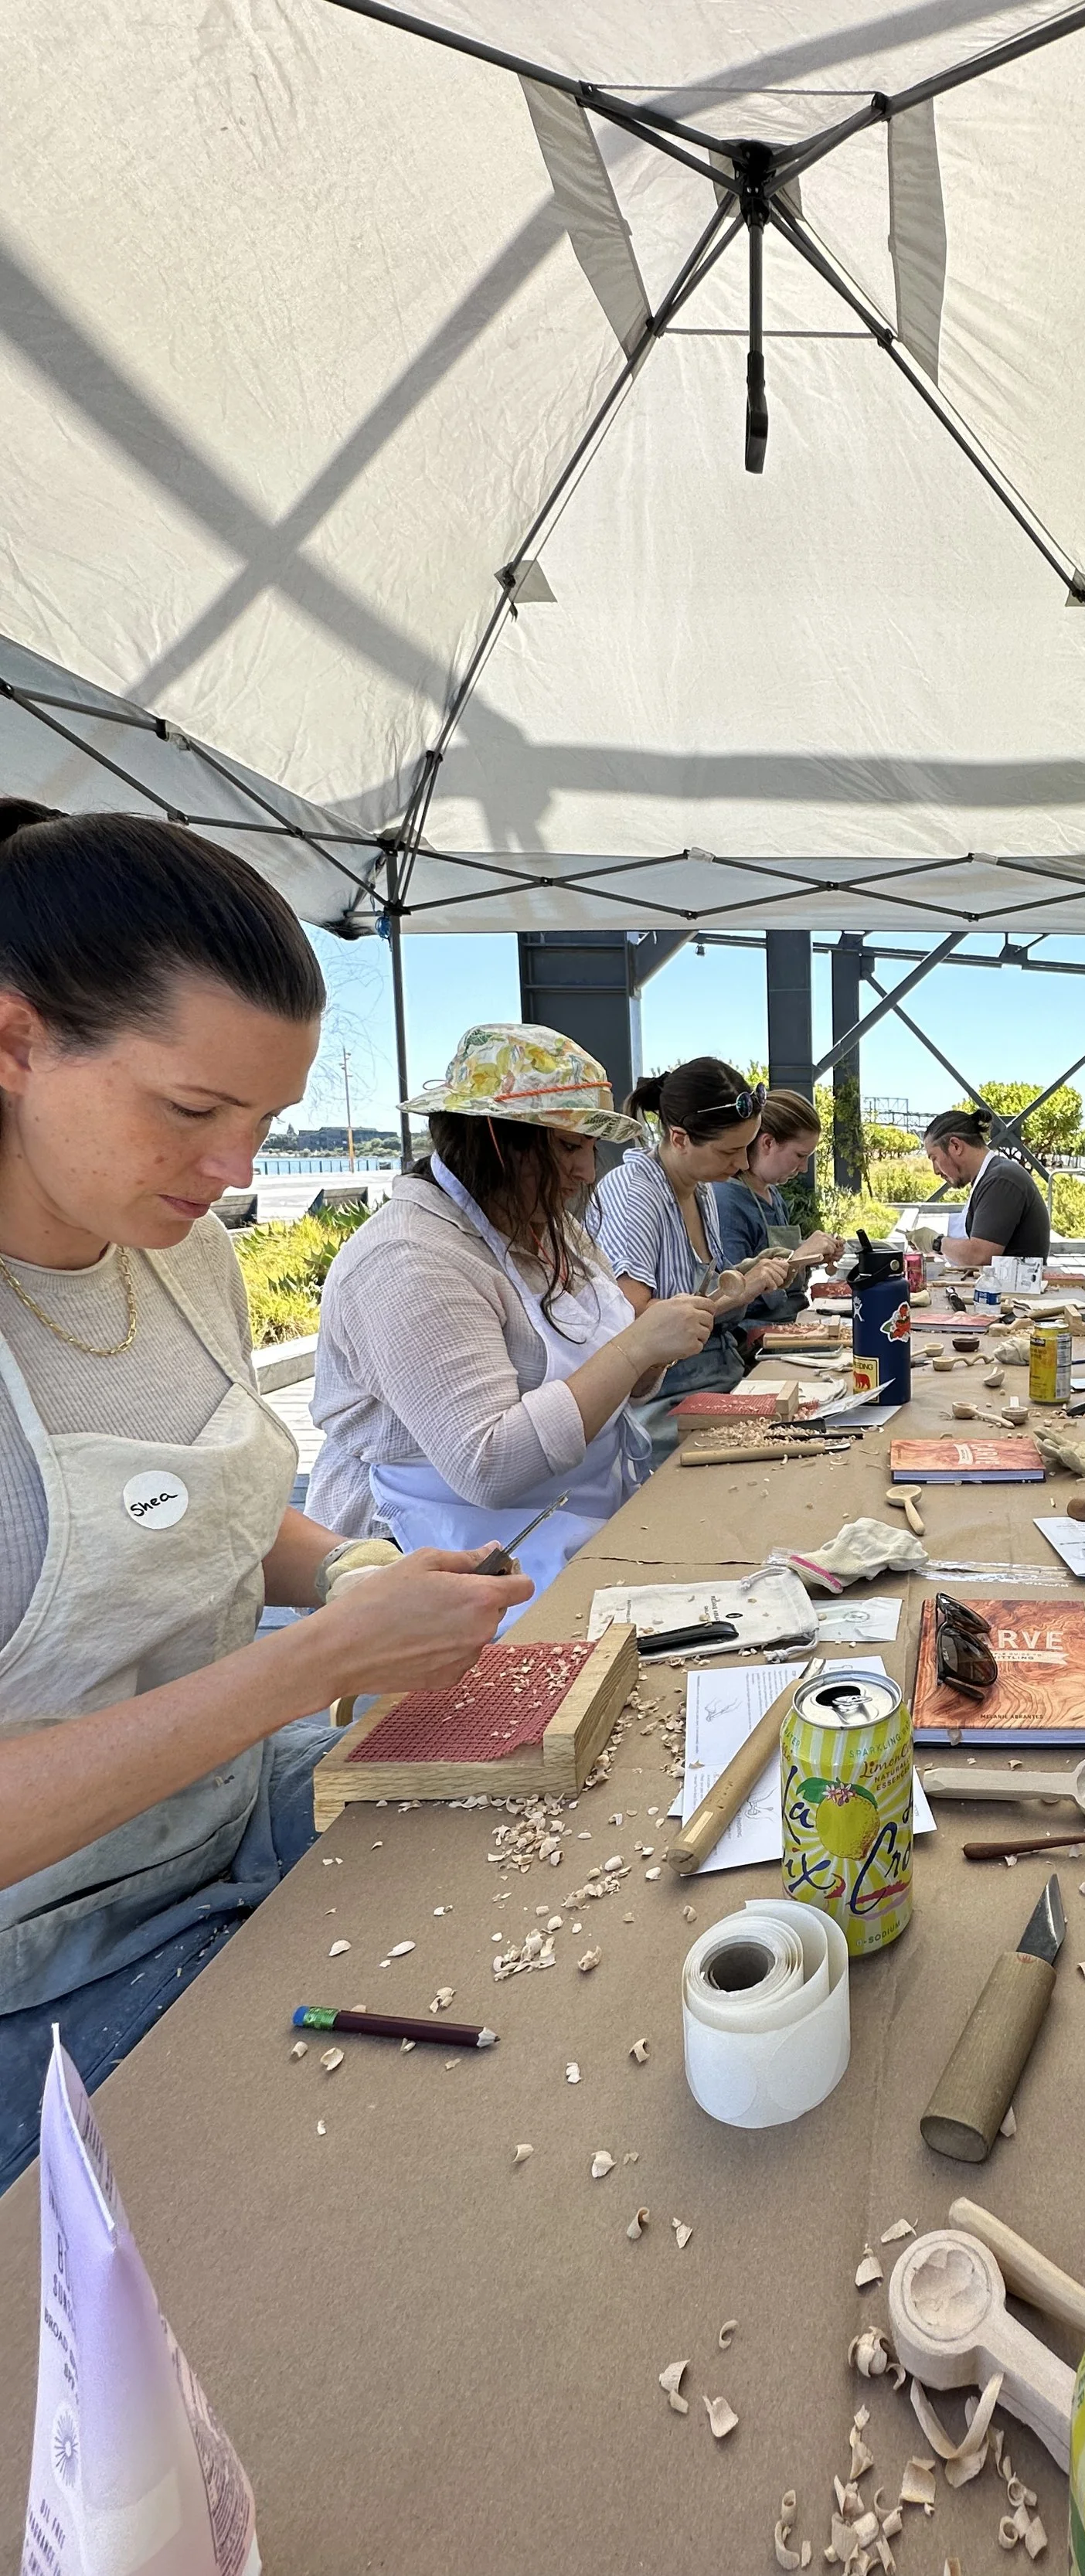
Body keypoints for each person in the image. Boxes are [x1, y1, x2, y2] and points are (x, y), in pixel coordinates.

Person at [0, 803, 516, 2193]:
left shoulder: (182, 1259)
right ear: (12, 1039)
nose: (236, 1171)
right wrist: (314, 1667)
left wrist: (350, 1571)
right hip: (42, 1964)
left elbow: (211, 1512)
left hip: (240, 1817)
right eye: (191, 1111)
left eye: (268, 1122)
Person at [306, 1024, 715, 1613]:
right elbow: (489, 1464)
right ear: (499, 1143)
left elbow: (610, 1378)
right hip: (462, 1552)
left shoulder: (549, 1225)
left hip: (581, 1513)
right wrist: (633, 1349)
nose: (586, 1172)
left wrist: (652, 1355)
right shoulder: (410, 1259)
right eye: (568, 1147)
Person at [589, 1057, 794, 1424]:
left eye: (746, 1149)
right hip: (661, 1402)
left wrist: (749, 1273)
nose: (743, 1165)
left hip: (717, 1380)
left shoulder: (701, 1191)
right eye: (729, 1152)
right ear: (680, 1139)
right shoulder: (634, 1192)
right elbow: (633, 1319)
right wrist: (742, 1290)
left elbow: (704, 1295)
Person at [713, 1087, 845, 1329]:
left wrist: (814, 1256)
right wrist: (800, 1255)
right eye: (799, 1155)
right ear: (768, 1143)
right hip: (754, 1334)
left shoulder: (771, 1193)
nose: (804, 1168)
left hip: (791, 1319)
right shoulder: (727, 1202)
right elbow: (732, 1295)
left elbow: (775, 1260)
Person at [921, 1109, 1052, 1268]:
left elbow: (979, 1255)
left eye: (934, 1158)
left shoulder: (1001, 1179)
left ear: (956, 1146)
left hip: (1014, 1289)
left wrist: (936, 1243)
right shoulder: (989, 1177)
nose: (936, 1170)